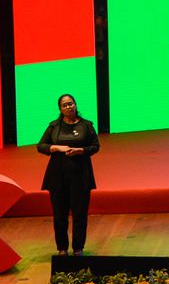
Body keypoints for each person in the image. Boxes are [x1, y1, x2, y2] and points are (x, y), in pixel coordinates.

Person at [37, 93, 100, 256]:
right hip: (57, 177)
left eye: (70, 103)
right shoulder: (54, 126)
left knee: (80, 215)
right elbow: (41, 146)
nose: (68, 107)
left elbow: (95, 146)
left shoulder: (86, 125)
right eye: (64, 105)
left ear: (75, 105)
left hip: (80, 176)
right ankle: (62, 249)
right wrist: (57, 148)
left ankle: (78, 248)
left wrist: (81, 150)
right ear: (60, 109)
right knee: (60, 215)